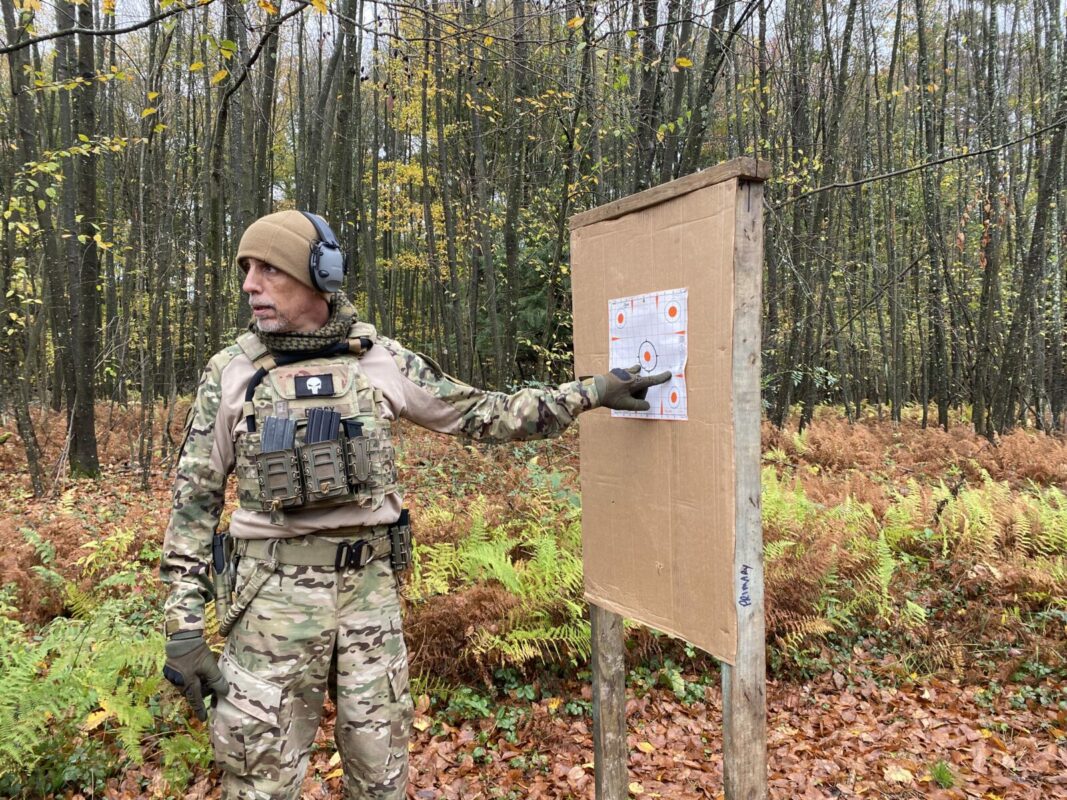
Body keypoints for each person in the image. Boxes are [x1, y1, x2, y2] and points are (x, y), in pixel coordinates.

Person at [159, 209, 669, 799]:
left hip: (369, 598)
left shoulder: (379, 359)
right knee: (259, 782)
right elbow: (193, 502)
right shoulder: (232, 372)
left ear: (320, 275)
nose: (250, 284)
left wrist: (595, 391)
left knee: (382, 778)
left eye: (268, 268)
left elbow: (484, 413)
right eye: (246, 269)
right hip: (269, 603)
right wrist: (183, 627)